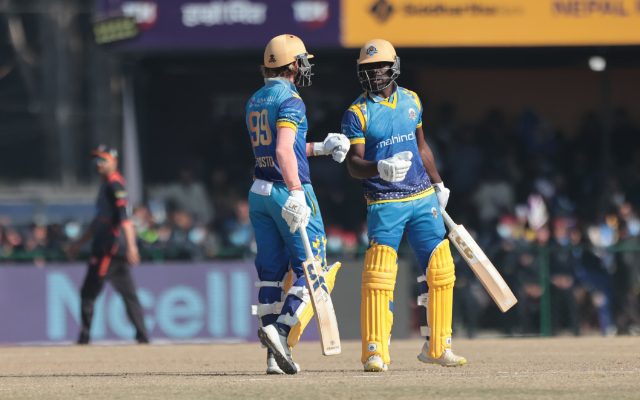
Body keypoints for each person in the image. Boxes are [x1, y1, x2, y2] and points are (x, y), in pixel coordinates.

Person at [342, 39, 466, 372]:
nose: (374, 74)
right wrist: (378, 167)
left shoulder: (412, 100)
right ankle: (375, 352)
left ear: (393, 67)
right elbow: (354, 164)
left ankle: (438, 346)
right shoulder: (357, 112)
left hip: (422, 196)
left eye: (379, 67)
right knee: (380, 274)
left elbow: (421, 147)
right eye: (367, 69)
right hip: (385, 201)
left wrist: (438, 182)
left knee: (441, 269)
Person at [245, 34, 350, 375]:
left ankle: (273, 356)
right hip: (285, 190)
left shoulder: (255, 99)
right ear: (292, 65)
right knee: (313, 267)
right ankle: (282, 332)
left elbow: (282, 147)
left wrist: (320, 148)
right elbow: (282, 150)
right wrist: (295, 191)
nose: (305, 67)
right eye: (302, 61)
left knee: (271, 275)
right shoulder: (291, 99)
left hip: (259, 192)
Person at [66, 145, 149, 345]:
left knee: (89, 293)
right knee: (128, 294)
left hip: (108, 251)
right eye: (97, 160)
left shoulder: (115, 186)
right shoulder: (105, 186)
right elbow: (98, 222)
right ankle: (142, 335)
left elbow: (125, 220)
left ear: (114, 162)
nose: (99, 164)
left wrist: (132, 246)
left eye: (103, 160)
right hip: (109, 249)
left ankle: (84, 337)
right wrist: (78, 243)